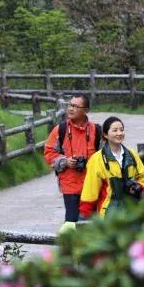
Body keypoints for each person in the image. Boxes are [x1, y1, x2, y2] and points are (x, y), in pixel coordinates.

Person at [44, 94, 102, 226]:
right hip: (69, 185)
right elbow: (48, 153)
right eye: (70, 105)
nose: (71, 109)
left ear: (86, 110)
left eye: (75, 106)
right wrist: (65, 161)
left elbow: (105, 155)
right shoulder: (60, 130)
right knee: (71, 223)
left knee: (90, 224)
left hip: (91, 185)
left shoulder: (96, 130)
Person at [78, 116, 144, 220]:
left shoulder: (132, 154)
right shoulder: (97, 159)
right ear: (105, 134)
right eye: (115, 130)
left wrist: (138, 188)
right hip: (109, 215)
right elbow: (90, 189)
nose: (119, 133)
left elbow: (143, 177)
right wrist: (84, 215)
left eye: (121, 130)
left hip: (133, 211)